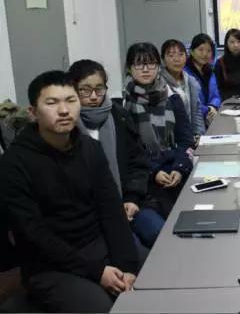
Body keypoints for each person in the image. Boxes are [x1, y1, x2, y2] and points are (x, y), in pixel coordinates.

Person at [0, 71, 138, 313]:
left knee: (158, 274)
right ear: (33, 112)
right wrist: (97, 272)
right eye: (52, 103)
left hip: (99, 247)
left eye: (70, 100)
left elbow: (111, 210)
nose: (64, 110)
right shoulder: (14, 164)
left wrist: (127, 267)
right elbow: (34, 234)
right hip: (49, 265)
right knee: (104, 308)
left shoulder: (90, 148)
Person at [68, 60, 166, 248]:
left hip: (129, 200)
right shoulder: (68, 125)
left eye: (99, 89)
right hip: (95, 214)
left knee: (161, 235)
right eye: (85, 90)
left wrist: (132, 198)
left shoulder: (118, 114)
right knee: (134, 251)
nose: (94, 96)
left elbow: (137, 161)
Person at [123, 43, 193, 218]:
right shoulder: (124, 107)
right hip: (145, 178)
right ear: (129, 68)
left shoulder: (173, 99)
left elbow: (186, 140)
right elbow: (130, 151)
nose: (146, 69)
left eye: (151, 63)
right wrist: (154, 172)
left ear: (158, 66)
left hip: (176, 169)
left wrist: (179, 168)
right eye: (139, 64)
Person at [160, 39, 206, 137]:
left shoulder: (190, 81)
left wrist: (199, 135)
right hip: (170, 137)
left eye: (181, 54)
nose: (177, 59)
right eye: (171, 55)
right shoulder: (159, 83)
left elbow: (196, 112)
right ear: (163, 59)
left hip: (189, 136)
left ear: (186, 57)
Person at [184, 33, 221, 126]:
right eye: (200, 50)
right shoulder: (185, 72)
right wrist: (207, 110)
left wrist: (213, 106)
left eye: (209, 51)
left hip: (210, 116)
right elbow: (189, 100)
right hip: (193, 120)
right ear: (192, 51)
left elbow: (216, 95)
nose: (205, 54)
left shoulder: (210, 71)